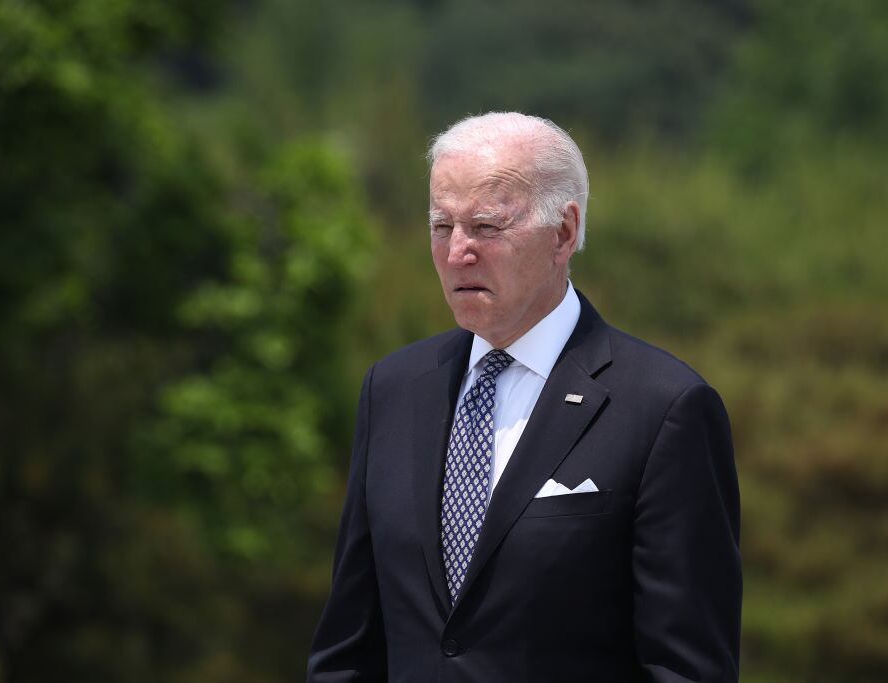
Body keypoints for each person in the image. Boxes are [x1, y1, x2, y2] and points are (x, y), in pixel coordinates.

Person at [307, 112, 741, 682]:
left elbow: (687, 669)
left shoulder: (665, 409)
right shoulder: (391, 390)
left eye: (486, 227)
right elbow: (349, 649)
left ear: (564, 233)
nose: (458, 251)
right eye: (442, 226)